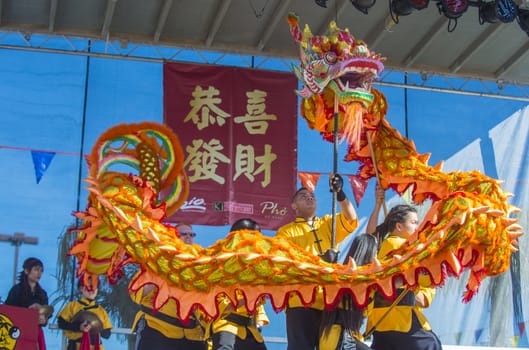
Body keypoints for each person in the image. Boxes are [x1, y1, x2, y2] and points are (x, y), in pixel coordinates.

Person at [275, 174, 359, 350]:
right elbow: (286, 264)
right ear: (294, 206)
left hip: (328, 299)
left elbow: (351, 219)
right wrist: (321, 260)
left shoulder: (327, 223)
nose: (309, 197)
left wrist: (340, 193)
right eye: (303, 196)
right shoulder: (285, 232)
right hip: (300, 301)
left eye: (311, 195)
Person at [366, 203, 443, 350]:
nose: (417, 227)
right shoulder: (399, 245)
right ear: (399, 227)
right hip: (400, 319)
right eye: (413, 223)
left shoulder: (384, 245)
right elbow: (425, 275)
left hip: (381, 321)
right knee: (431, 344)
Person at [131, 222, 208, 350]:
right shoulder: (156, 262)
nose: (188, 237)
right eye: (183, 234)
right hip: (158, 329)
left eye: (191, 234)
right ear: (173, 238)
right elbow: (137, 293)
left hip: (193, 336)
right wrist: (163, 269)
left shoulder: (201, 268)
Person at [211, 218, 269, 350]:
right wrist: (249, 298)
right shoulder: (220, 265)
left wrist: (259, 322)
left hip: (252, 332)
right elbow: (217, 305)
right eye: (252, 239)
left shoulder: (255, 268)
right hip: (226, 327)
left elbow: (258, 307)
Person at [319, 234, 377, 350]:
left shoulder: (339, 276)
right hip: (342, 340)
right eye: (376, 252)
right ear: (369, 253)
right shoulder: (360, 282)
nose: (377, 256)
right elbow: (367, 312)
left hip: (330, 339)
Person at [4, 257, 52, 350]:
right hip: (18, 332)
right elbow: (8, 312)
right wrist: (27, 312)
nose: (39, 273)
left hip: (35, 332)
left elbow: (46, 315)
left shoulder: (42, 293)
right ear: (26, 270)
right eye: (36, 270)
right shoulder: (17, 290)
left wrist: (44, 320)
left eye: (41, 271)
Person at [57, 278, 113, 350]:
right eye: (89, 286)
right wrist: (79, 327)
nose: (92, 289)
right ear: (81, 288)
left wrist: (96, 328)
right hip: (76, 346)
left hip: (96, 346)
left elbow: (107, 334)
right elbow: (61, 323)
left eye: (95, 286)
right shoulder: (72, 306)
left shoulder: (101, 310)